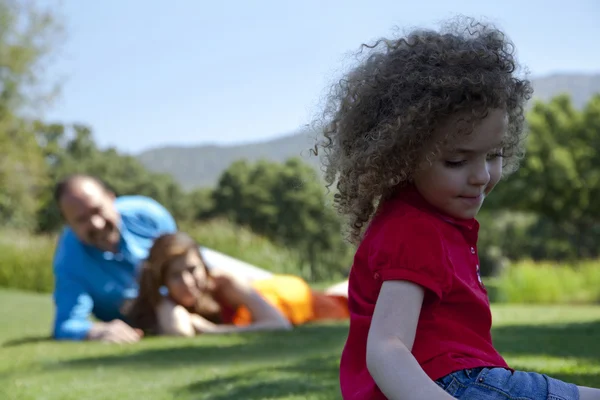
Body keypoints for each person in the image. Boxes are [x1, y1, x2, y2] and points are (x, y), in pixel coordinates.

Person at [315, 16, 600, 400]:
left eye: (494, 155)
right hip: (453, 385)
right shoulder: (413, 229)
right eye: (456, 161)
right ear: (404, 154)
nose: (482, 175)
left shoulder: (428, 219)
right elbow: (387, 349)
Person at [124, 232, 350, 336]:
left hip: (292, 298)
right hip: (276, 298)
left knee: (350, 301)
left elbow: (279, 325)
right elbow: (180, 331)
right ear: (162, 280)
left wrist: (215, 331)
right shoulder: (170, 302)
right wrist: (161, 299)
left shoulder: (225, 282)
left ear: (204, 266)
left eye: (192, 270)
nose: (187, 282)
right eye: (174, 275)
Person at [51, 174, 178, 343]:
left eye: (97, 210)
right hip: (150, 316)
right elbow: (67, 324)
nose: (96, 223)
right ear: (69, 224)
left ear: (111, 199)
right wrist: (95, 331)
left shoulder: (148, 215)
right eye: (81, 220)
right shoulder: (69, 261)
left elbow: (186, 259)